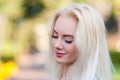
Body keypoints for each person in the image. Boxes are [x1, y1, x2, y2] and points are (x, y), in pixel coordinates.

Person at [47, 4, 114, 80]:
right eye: (55, 36)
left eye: (68, 40)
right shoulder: (54, 76)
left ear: (88, 44)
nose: (57, 45)